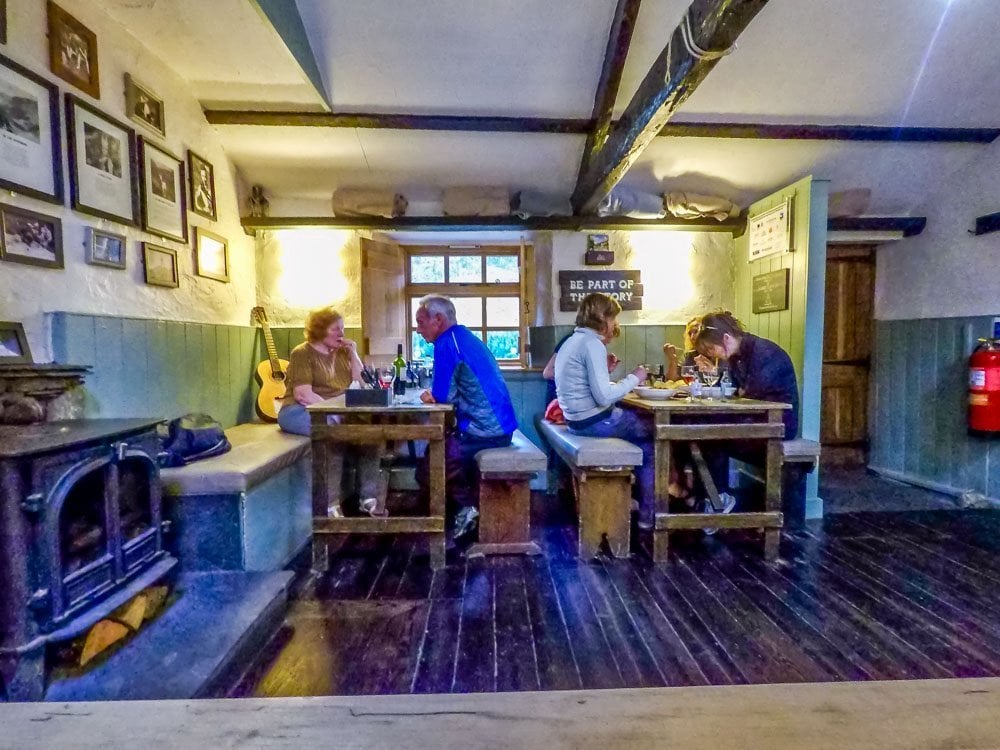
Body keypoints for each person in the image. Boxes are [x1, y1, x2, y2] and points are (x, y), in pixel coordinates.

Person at [414, 295, 518, 541]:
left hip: (486, 431)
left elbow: (443, 397)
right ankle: (464, 511)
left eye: (420, 322)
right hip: (501, 426)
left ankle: (466, 510)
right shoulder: (466, 338)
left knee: (430, 466)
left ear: (438, 320)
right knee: (438, 454)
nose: (418, 330)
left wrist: (431, 397)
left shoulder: (446, 344)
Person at [554, 293, 657, 527]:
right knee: (657, 435)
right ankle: (650, 516)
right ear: (603, 318)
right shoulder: (592, 344)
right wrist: (636, 377)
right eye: (614, 318)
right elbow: (603, 397)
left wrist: (608, 374)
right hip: (596, 422)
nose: (616, 324)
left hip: (576, 422)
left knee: (642, 431)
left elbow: (587, 388)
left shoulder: (572, 341)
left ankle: (635, 502)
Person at [277, 306, 384, 517]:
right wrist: (333, 412)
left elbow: (362, 382)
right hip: (299, 411)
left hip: (334, 411)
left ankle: (368, 498)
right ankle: (330, 504)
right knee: (331, 434)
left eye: (342, 329)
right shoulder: (302, 353)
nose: (341, 334)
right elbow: (302, 394)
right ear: (320, 330)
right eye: (336, 329)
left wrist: (353, 352)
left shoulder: (343, 352)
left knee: (372, 434)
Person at [690, 310, 800, 510]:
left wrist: (741, 393)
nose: (711, 353)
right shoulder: (737, 356)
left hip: (778, 424)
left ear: (726, 338)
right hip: (757, 418)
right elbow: (738, 392)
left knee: (711, 436)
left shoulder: (764, 352)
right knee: (699, 435)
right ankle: (711, 499)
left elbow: (751, 395)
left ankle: (718, 500)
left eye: (711, 348)